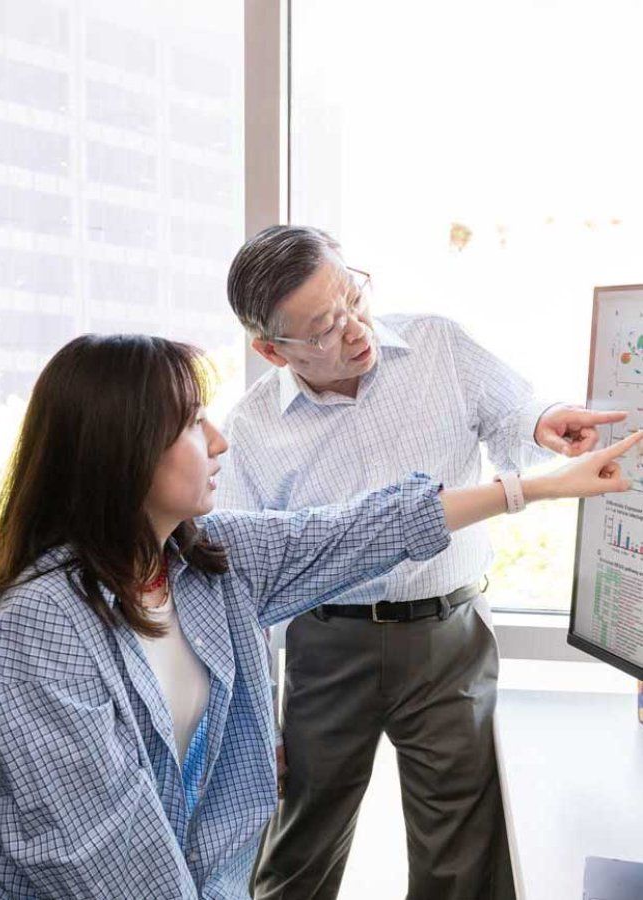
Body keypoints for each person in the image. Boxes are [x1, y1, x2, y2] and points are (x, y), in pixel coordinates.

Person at [0, 332, 637, 899]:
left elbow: (364, 528)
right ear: (123, 453)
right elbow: (108, 858)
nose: (219, 441)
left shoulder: (206, 562)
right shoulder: (46, 623)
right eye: (190, 423)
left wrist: (537, 487)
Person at [217, 225, 627, 900]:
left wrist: (543, 420)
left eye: (353, 297)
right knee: (299, 849)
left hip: (450, 638)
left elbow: (512, 411)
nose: (353, 329)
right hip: (327, 646)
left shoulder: (438, 343)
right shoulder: (253, 429)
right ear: (270, 349)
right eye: (323, 328)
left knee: (459, 858)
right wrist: (257, 719)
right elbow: (244, 589)